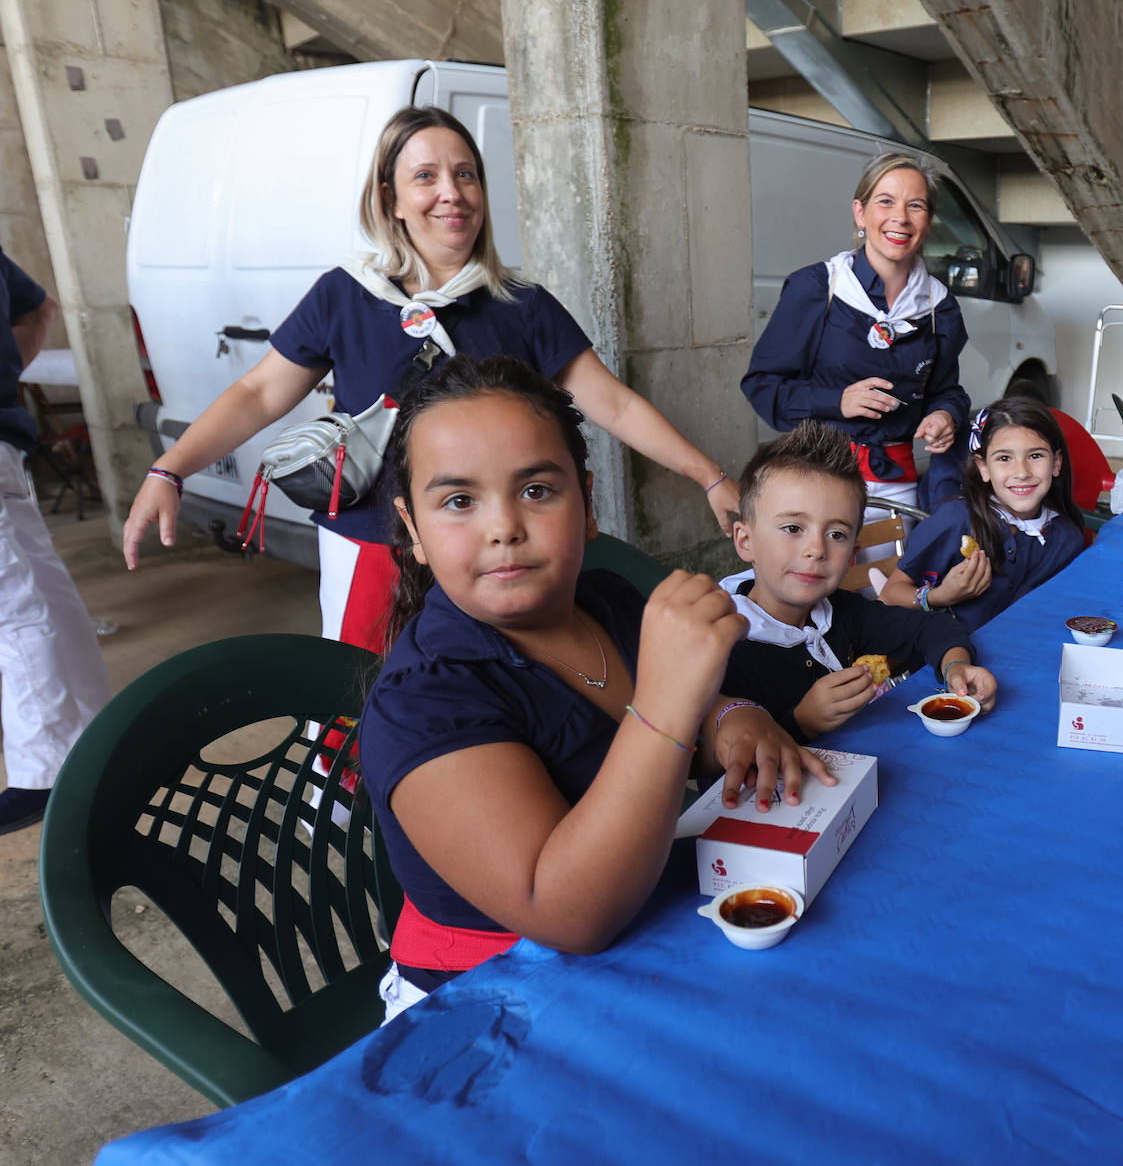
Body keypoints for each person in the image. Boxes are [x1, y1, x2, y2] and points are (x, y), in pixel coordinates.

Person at [122, 106, 740, 653]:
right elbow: (258, 392)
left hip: (495, 543)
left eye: (465, 174)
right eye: (426, 176)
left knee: (498, 688)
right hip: (372, 543)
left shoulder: (521, 303)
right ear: (390, 198)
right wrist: (169, 468)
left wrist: (707, 475)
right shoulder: (346, 295)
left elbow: (616, 405)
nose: (452, 193)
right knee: (355, 700)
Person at [359, 354, 832, 1021]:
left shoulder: (604, 602)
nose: (503, 528)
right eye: (460, 501)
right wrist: (671, 706)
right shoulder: (426, 702)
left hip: (646, 938)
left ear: (587, 503)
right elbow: (567, 912)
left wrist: (733, 718)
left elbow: (681, 730)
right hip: (494, 1010)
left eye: (536, 491)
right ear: (414, 531)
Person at [741, 150, 971, 543]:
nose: (900, 217)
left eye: (914, 206)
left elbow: (948, 391)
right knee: (815, 593)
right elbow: (762, 385)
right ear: (860, 213)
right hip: (816, 478)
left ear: (927, 222)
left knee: (888, 596)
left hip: (896, 482)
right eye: (886, 201)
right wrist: (837, 400)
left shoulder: (938, 307)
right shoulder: (818, 289)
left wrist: (944, 415)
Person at [718, 421, 995, 743]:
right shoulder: (721, 644)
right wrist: (802, 723)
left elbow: (931, 628)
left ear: (853, 552)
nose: (816, 550)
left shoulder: (840, 611)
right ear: (745, 540)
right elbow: (714, 767)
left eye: (836, 534)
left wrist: (955, 667)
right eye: (793, 528)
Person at [0, 249, 111, 833]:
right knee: (43, 590)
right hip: (4, 442)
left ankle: (41, 773)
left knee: (12, 610)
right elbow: (40, 308)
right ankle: (92, 735)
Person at [879, 396, 1086, 630]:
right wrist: (940, 596)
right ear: (984, 468)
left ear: (1056, 463)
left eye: (1035, 456)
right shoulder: (954, 521)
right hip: (949, 658)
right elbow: (889, 594)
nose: (1021, 472)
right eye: (1004, 458)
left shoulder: (1068, 537)